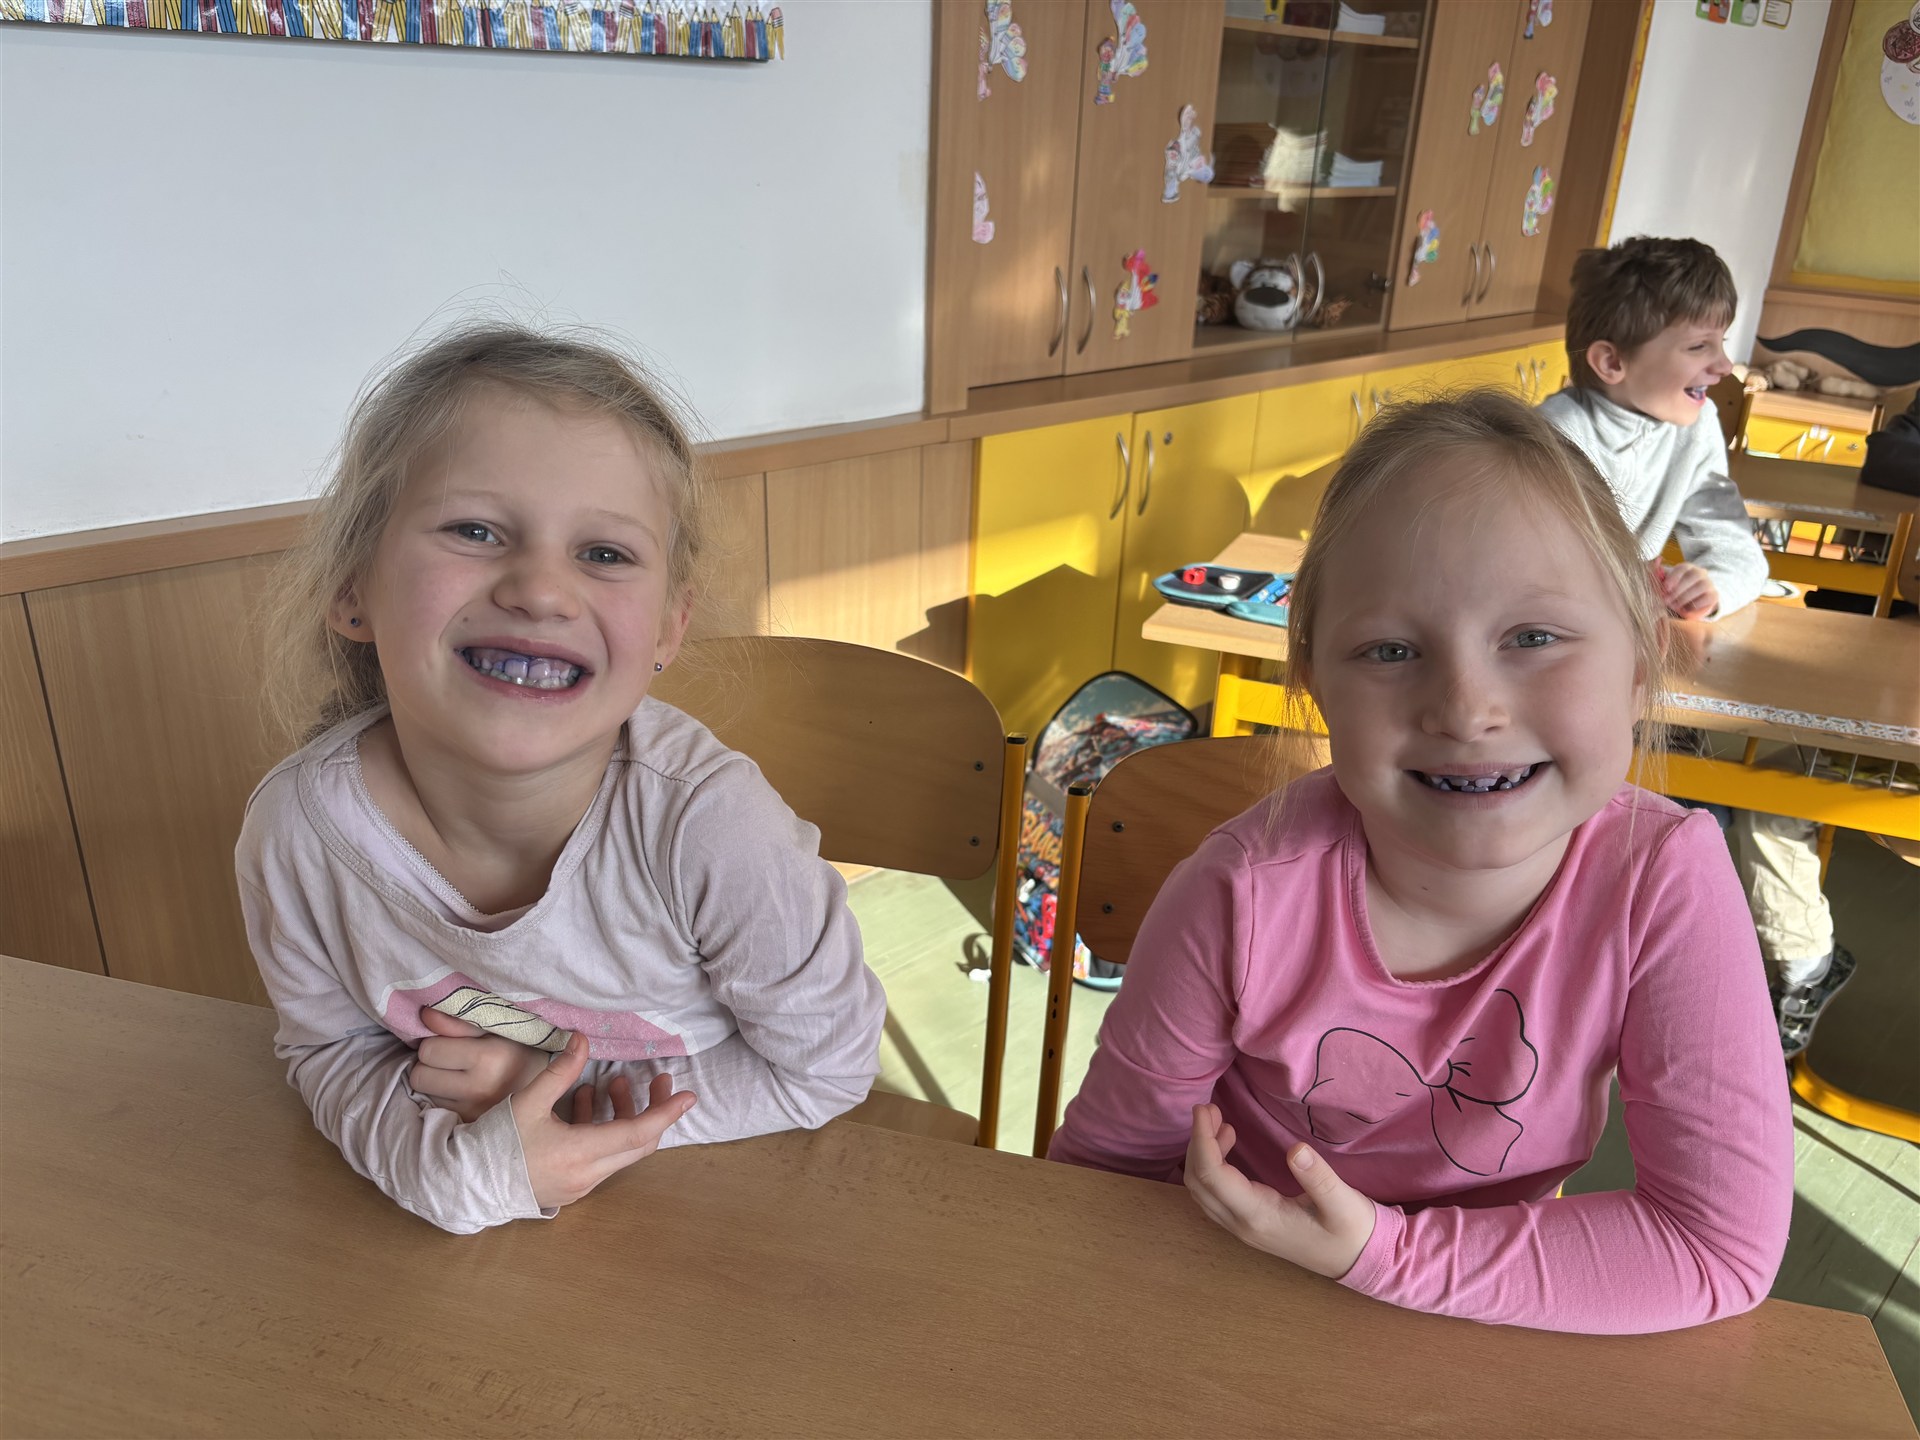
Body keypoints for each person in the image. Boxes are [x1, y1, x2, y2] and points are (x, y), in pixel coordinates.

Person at [1049, 392, 1792, 1334]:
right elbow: (1099, 1186)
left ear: (1639, 663)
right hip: (1231, 1299)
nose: (1466, 710)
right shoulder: (1238, 895)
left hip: (1476, 1323)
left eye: (1533, 638)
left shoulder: (1665, 882)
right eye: (1391, 650)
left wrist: (1383, 1256)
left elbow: (1716, 1246)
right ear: (1317, 687)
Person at [236, 322, 886, 1234]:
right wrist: (468, 1171)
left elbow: (826, 1069)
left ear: (667, 628)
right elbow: (330, 1050)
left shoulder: (712, 826)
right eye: (474, 530)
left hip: (718, 1217)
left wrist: (553, 1097)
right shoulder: (297, 833)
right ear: (353, 586)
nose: (541, 590)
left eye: (604, 554)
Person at [1539, 236, 1849, 1055]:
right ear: (1610, 361)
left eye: (1722, 341)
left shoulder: (1695, 425)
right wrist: (1622, 587)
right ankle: (1608, 973)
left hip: (1638, 661)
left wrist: (1714, 581)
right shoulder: (1552, 436)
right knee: (1639, 802)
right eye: (1700, 346)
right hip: (1563, 669)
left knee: (1766, 761)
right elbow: (1527, 567)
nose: (1723, 365)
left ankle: (1797, 961)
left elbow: (1735, 547)